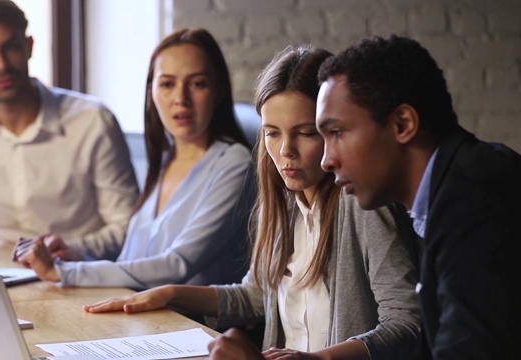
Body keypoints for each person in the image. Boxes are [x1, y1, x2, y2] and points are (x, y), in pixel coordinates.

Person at [83, 46, 422, 360]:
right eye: (272, 133)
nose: (286, 150)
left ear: (331, 131)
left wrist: (319, 359)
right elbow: (256, 296)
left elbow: (407, 323)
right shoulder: (285, 202)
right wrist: (170, 293)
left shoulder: (362, 204)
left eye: (305, 133)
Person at [316, 34, 521, 359]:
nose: (326, 160)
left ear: (403, 124)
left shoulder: (477, 204)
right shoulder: (455, 188)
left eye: (337, 133)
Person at [12, 28, 254, 290]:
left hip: (191, 324)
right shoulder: (165, 158)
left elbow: (177, 265)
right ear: (152, 91)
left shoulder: (235, 165)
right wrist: (76, 254)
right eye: (167, 84)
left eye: (197, 84)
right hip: (139, 314)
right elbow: (134, 261)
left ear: (218, 90)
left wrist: (65, 271)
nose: (180, 99)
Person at [0, 0, 139, 266]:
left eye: (10, 47)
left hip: (80, 275)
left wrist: (72, 248)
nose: (0, 64)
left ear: (29, 47)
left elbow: (128, 228)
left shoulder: (92, 121)